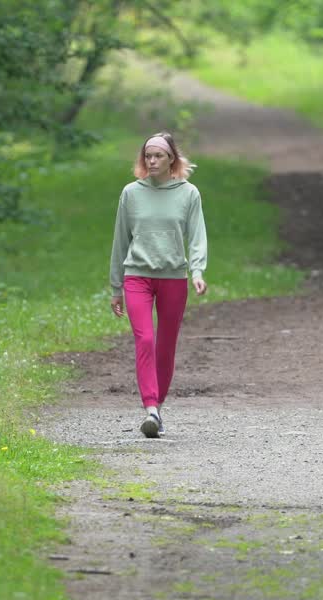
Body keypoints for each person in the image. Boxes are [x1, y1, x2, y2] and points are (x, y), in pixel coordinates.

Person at [109, 132, 208, 439]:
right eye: (147, 156)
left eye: (158, 156)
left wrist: (198, 271)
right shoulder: (131, 193)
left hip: (173, 277)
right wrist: (115, 287)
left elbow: (197, 235)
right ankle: (150, 407)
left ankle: (158, 407)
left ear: (171, 160)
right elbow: (120, 241)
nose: (151, 161)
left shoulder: (188, 193)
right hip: (136, 276)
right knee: (145, 339)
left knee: (166, 346)